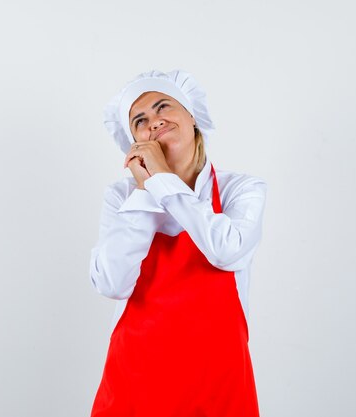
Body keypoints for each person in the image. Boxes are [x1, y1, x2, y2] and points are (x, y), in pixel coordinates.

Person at [89, 70, 267, 416]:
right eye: (140, 120)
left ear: (192, 116)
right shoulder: (122, 197)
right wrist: (145, 190)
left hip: (219, 386)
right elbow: (112, 282)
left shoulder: (241, 190)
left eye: (163, 107)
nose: (154, 122)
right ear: (134, 142)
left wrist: (165, 183)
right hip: (134, 384)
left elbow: (227, 251)